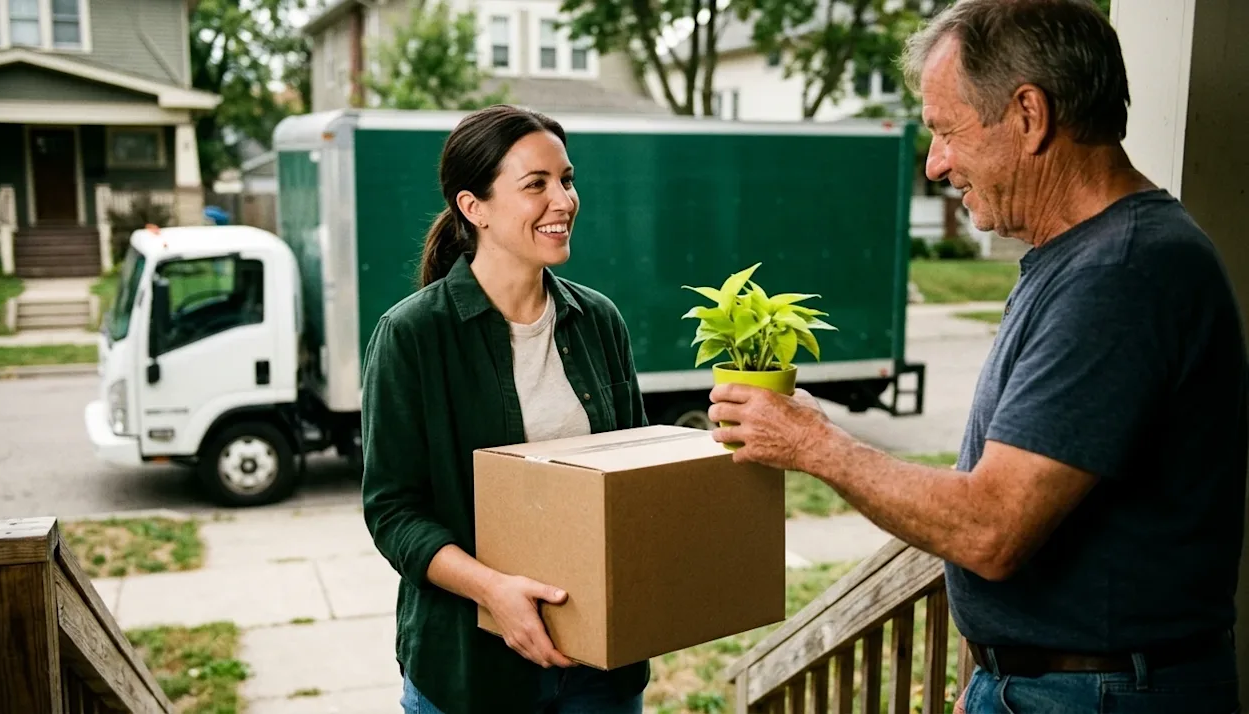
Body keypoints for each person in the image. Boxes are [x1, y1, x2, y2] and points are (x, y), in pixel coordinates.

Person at [708, 1, 1248, 713]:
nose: (935, 165)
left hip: (1099, 694)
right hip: (1057, 685)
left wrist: (815, 445)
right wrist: (999, 673)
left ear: (1029, 114)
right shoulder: (1090, 258)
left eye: (944, 131)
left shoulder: (1123, 273)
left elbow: (990, 527)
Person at [360, 105, 650, 714]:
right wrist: (492, 590)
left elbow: (633, 479)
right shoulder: (413, 335)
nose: (564, 200)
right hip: (470, 673)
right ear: (475, 208)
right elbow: (392, 511)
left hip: (599, 670)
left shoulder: (598, 321)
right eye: (536, 184)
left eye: (566, 179)